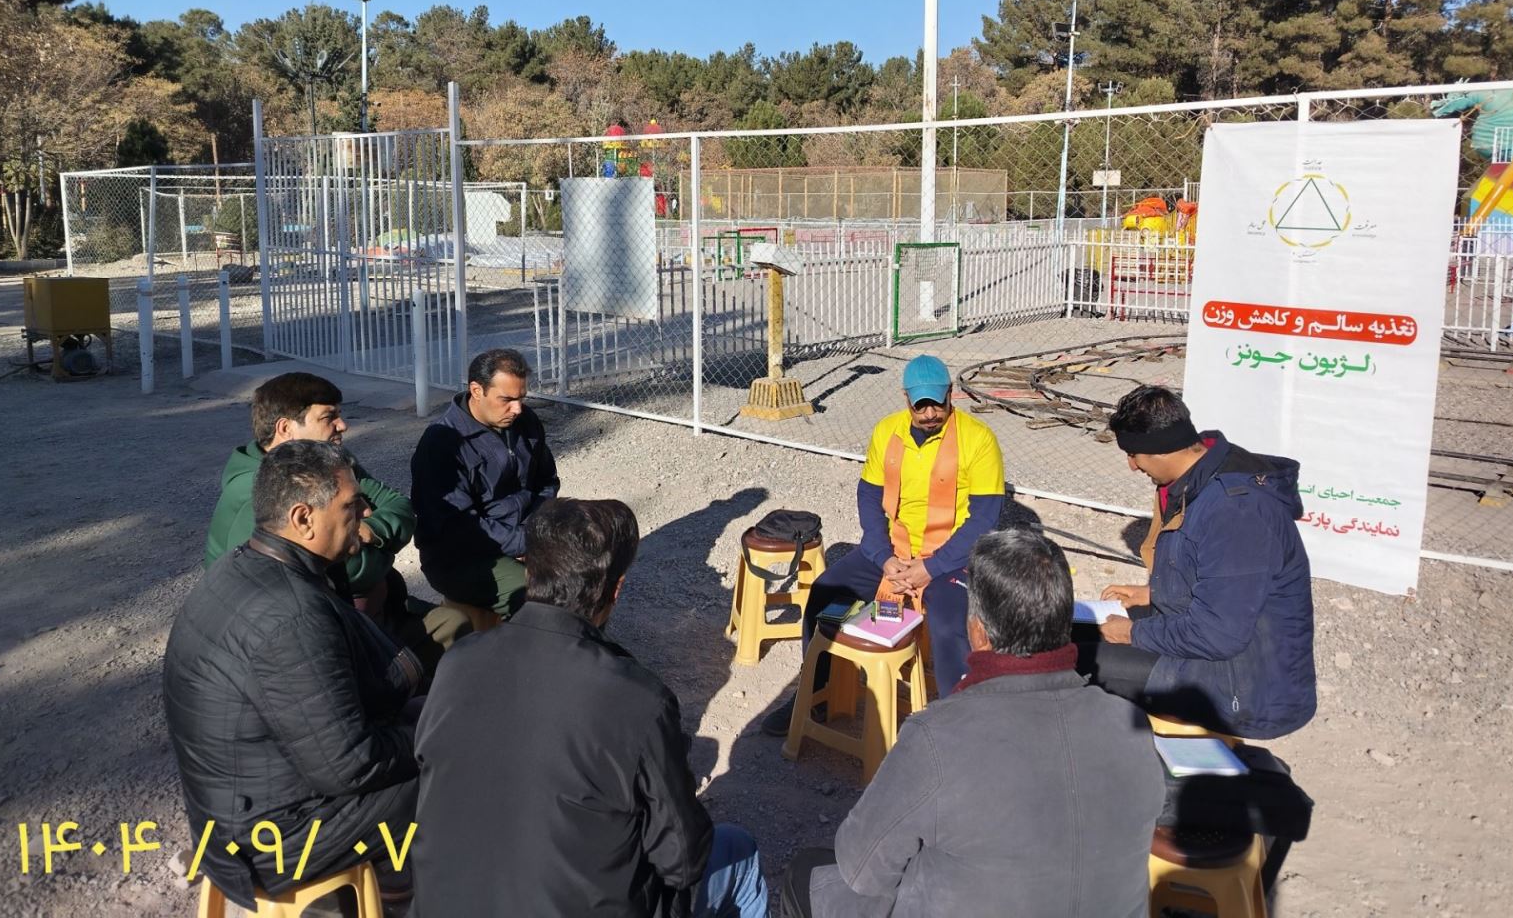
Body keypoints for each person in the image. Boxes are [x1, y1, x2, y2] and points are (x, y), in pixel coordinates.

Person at [411, 498, 767, 918]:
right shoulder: (639, 700)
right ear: (615, 590)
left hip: (441, 905)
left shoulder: (458, 661)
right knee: (737, 850)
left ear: (529, 572)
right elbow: (683, 861)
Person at [783, 527, 1165, 918]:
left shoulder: (937, 736)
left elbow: (861, 870)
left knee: (806, 873)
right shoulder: (1129, 724)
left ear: (978, 633)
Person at [165, 441, 421, 910]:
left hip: (236, 808)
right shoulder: (293, 614)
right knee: (456, 764)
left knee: (435, 719)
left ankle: (396, 882)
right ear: (303, 518)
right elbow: (351, 765)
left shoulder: (243, 566)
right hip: (269, 841)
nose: (365, 513)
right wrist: (434, 738)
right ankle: (418, 896)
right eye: (351, 506)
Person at [764, 355, 1004, 734]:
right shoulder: (887, 432)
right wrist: (883, 556)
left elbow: (984, 520)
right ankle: (815, 696)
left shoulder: (979, 440)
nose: (929, 413)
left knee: (948, 624)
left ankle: (956, 727)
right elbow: (869, 498)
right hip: (894, 551)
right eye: (920, 405)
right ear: (906, 399)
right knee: (825, 593)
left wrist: (932, 567)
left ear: (950, 395)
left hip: (953, 559)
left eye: (937, 403)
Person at [1075, 384, 1317, 739]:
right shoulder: (1204, 476)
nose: (1132, 466)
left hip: (1246, 691)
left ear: (1159, 449)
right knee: (1070, 629)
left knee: (1071, 663)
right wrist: (1153, 593)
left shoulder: (1236, 510)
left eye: (1133, 454)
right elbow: (1221, 580)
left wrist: (1132, 633)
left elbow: (1219, 634)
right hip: (1219, 655)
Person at [203, 371, 448, 670]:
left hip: (365, 611)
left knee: (461, 632)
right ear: (285, 428)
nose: (343, 425)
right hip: (308, 643)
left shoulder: (328, 460)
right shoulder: (262, 490)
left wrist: (370, 531)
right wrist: (380, 551)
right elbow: (353, 573)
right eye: (328, 417)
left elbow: (399, 505)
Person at [410, 348, 559, 621]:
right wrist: (523, 542)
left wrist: (533, 532)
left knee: (590, 572)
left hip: (523, 535)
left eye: (521, 398)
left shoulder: (525, 421)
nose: (517, 409)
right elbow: (458, 526)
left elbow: (546, 482)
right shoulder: (441, 444)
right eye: (507, 400)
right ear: (476, 391)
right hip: (463, 557)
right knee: (547, 597)